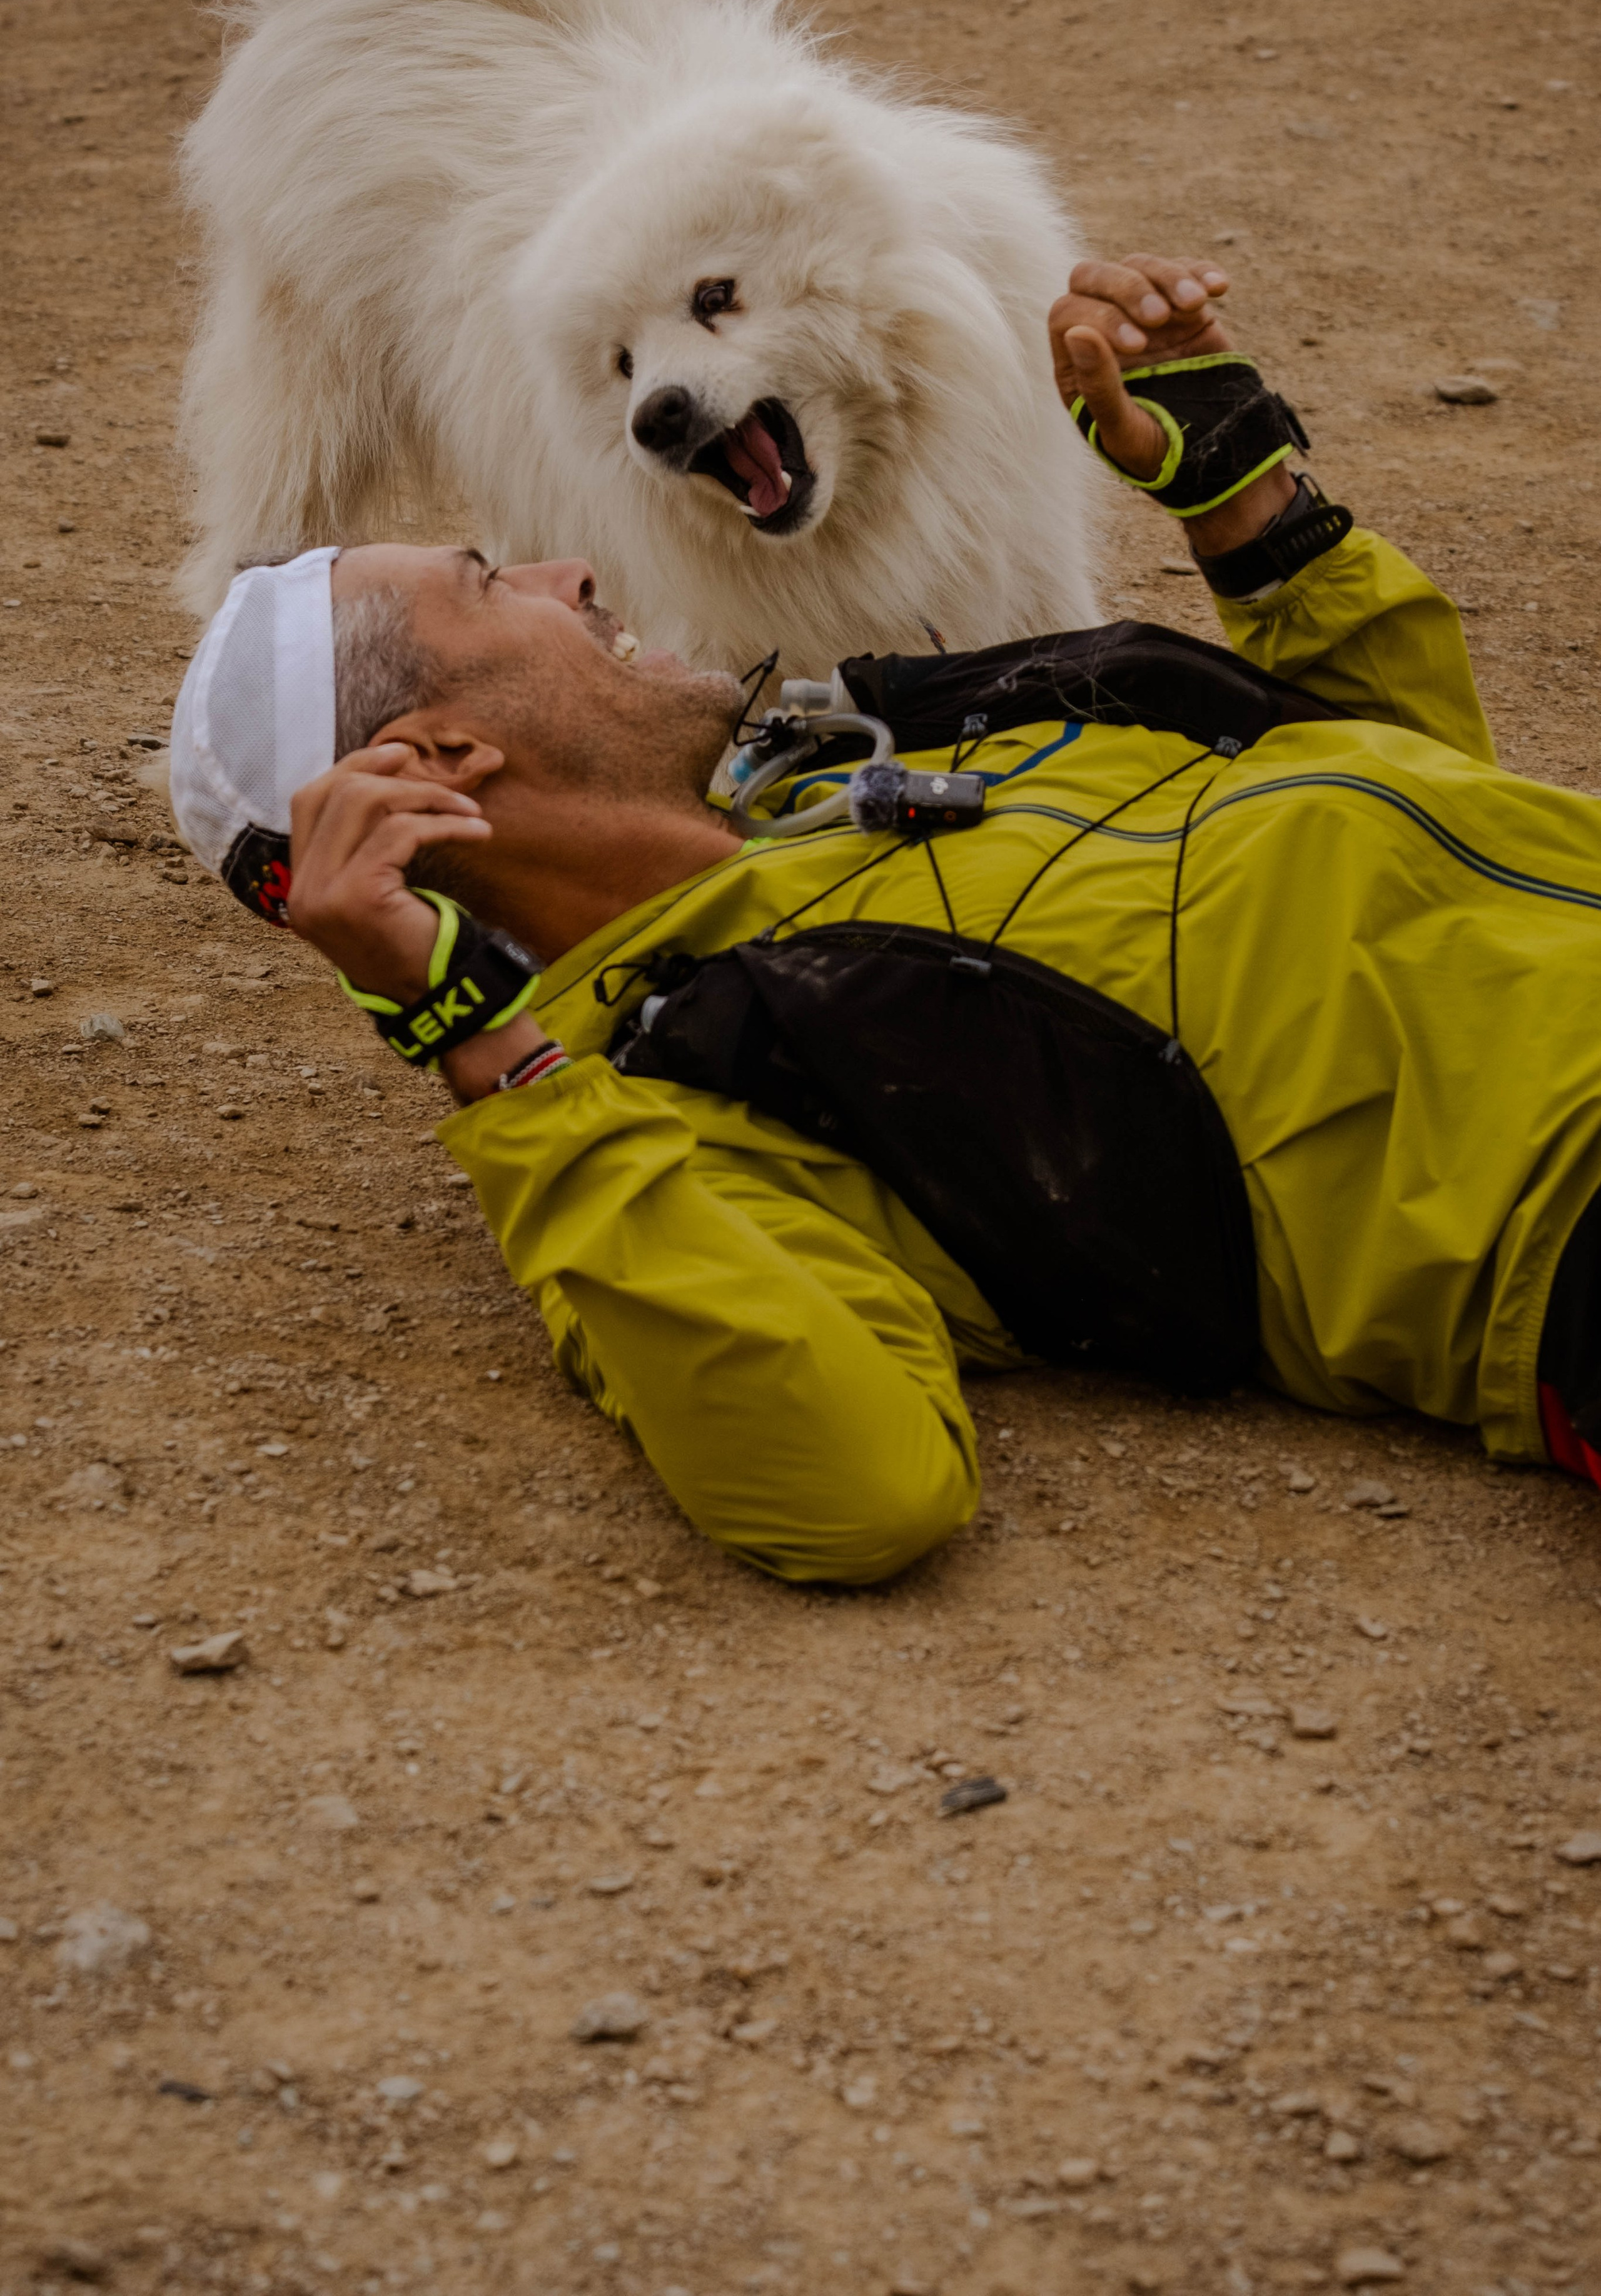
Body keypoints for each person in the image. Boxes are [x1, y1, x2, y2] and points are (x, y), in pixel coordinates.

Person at [167, 251, 1601, 1586]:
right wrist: (478, 1048)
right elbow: (857, 1490)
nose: (571, 570)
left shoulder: (869, 757)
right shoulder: (680, 1107)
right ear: (439, 762)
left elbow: (1423, 810)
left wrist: (1246, 507)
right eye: (492, 585)